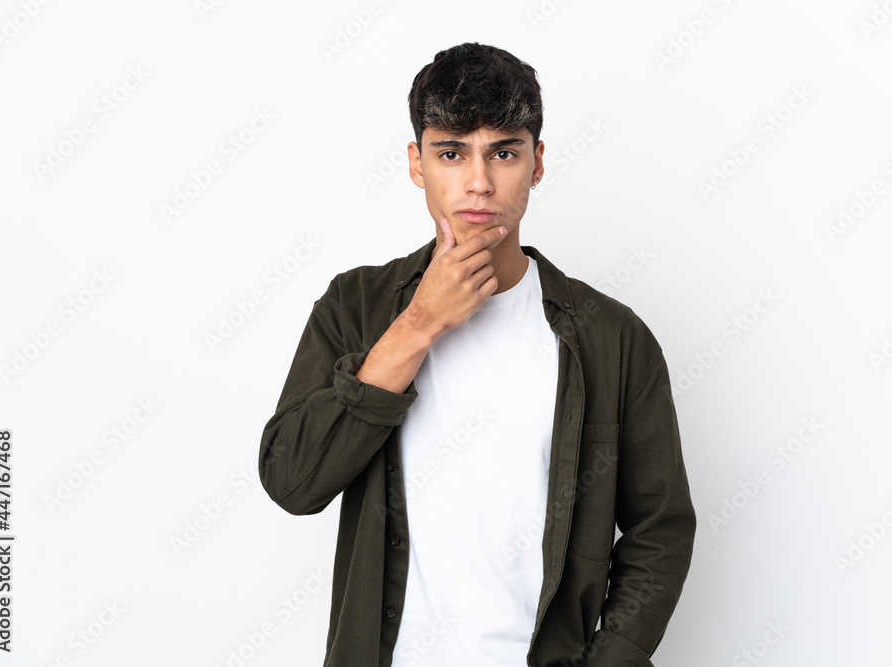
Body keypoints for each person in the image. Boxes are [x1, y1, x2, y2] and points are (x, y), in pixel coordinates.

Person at [258, 41, 696, 667]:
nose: (478, 182)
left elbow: (661, 530)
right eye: (451, 152)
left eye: (505, 152)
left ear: (538, 162)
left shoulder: (612, 338)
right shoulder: (355, 305)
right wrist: (418, 325)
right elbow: (292, 482)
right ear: (417, 163)